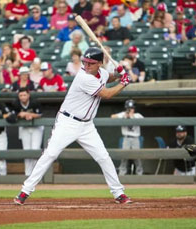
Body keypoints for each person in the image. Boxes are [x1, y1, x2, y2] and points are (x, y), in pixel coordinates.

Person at [13, 47, 133, 205]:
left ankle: (118, 193)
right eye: (85, 62)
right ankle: (25, 191)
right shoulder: (84, 77)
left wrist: (119, 73)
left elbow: (108, 77)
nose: (86, 65)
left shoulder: (101, 72)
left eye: (90, 63)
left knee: (103, 157)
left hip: (87, 126)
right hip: (68, 122)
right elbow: (107, 94)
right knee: (50, 154)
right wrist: (123, 82)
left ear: (99, 63)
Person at [12, 87, 44, 176]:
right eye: (20, 95)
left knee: (35, 150)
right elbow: (12, 115)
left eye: (24, 95)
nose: (22, 97)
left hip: (36, 128)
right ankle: (27, 174)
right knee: (27, 152)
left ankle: (36, 174)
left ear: (28, 95)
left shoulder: (34, 102)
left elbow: (40, 114)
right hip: (24, 128)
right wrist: (20, 115)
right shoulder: (16, 103)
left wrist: (28, 114)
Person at [111, 99, 144, 175]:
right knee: (124, 157)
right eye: (129, 108)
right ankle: (122, 174)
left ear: (134, 108)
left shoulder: (137, 115)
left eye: (132, 108)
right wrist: (124, 116)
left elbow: (143, 121)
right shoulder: (123, 114)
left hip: (135, 138)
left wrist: (132, 116)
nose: (130, 110)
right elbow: (112, 117)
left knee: (137, 157)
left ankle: (140, 175)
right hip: (126, 138)